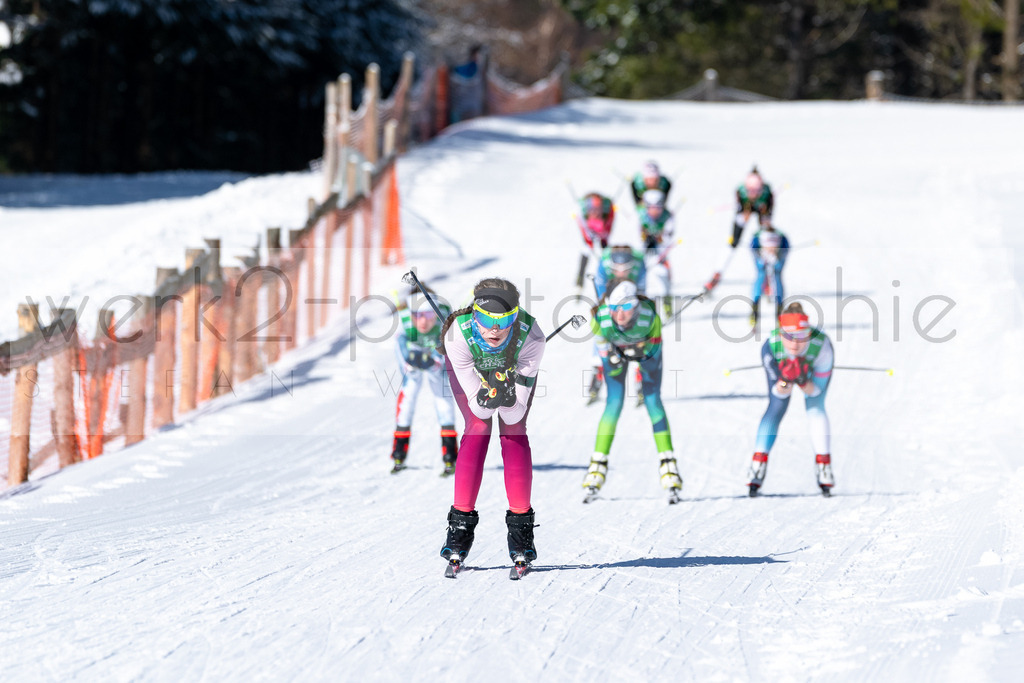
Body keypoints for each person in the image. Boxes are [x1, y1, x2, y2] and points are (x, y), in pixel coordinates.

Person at [437, 278, 546, 574]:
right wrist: (487, 397)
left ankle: (522, 533)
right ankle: (459, 529)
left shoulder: (531, 337)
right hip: (471, 369)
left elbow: (513, 416)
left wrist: (508, 396)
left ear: (516, 317)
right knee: (479, 427)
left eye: (504, 321)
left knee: (514, 431)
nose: (494, 329)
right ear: (474, 315)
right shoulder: (457, 336)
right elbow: (476, 408)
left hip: (511, 373)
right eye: (485, 319)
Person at [583, 279, 682, 503]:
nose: (619, 315)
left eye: (626, 307)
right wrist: (616, 355)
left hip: (646, 350)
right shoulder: (600, 319)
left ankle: (668, 465)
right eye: (614, 308)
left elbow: (654, 353)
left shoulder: (650, 319)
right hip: (616, 353)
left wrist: (641, 352)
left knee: (652, 399)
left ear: (636, 306)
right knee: (614, 402)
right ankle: (597, 465)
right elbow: (604, 352)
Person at [747, 303, 835, 497]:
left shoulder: (822, 346)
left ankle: (824, 467)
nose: (795, 343)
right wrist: (785, 380)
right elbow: (778, 393)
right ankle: (758, 464)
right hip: (782, 376)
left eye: (803, 336)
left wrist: (804, 382)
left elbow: (815, 392)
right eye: (789, 336)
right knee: (777, 407)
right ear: (780, 333)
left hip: (812, 370)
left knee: (815, 407)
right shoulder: (771, 346)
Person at [390, 287, 458, 475]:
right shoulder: (403, 321)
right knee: (408, 395)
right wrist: (409, 366)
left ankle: (450, 454)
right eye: (417, 315)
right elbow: (400, 350)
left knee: (443, 397)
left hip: (435, 354)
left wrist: (436, 365)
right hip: (414, 354)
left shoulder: (444, 319)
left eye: (428, 314)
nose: (422, 320)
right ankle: (399, 452)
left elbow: (450, 352)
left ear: (435, 314)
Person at [588, 245, 647, 403]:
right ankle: (598, 371)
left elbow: (641, 295)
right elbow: (601, 296)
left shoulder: (639, 266)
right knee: (602, 332)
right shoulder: (603, 266)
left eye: (625, 269)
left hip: (629, 301)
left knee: (639, 336)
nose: (621, 273)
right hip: (611, 302)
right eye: (617, 269)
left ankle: (641, 377)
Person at [637, 189, 676, 316]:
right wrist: (645, 239)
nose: (655, 211)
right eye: (651, 208)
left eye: (658, 208)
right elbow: (636, 236)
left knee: (663, 276)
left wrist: (659, 238)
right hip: (644, 253)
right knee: (642, 281)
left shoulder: (668, 216)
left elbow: (668, 237)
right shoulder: (640, 215)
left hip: (659, 253)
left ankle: (667, 304)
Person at [749, 222, 790, 326]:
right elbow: (758, 264)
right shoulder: (756, 247)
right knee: (761, 275)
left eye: (774, 247)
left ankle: (779, 312)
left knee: (777, 276)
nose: (771, 250)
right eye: (768, 247)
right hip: (760, 257)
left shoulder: (782, 246)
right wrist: (762, 260)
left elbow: (779, 266)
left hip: (779, 258)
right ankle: (754, 309)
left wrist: (777, 260)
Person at [574, 192, 616, 290]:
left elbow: (609, 225)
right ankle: (580, 278)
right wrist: (589, 240)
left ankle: (609, 275)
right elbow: (583, 229)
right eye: (592, 210)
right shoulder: (581, 212)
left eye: (598, 210)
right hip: (589, 232)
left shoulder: (608, 210)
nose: (595, 213)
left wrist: (603, 235)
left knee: (605, 250)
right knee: (586, 250)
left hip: (603, 230)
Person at [730, 167, 774, 248]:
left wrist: (765, 213)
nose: (754, 194)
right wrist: (744, 211)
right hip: (746, 206)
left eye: (756, 191)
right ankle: (734, 240)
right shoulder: (741, 191)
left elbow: (771, 206)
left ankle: (766, 243)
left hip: (761, 207)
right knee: (740, 220)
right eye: (751, 191)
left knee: (765, 223)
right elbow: (739, 206)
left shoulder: (766, 192)